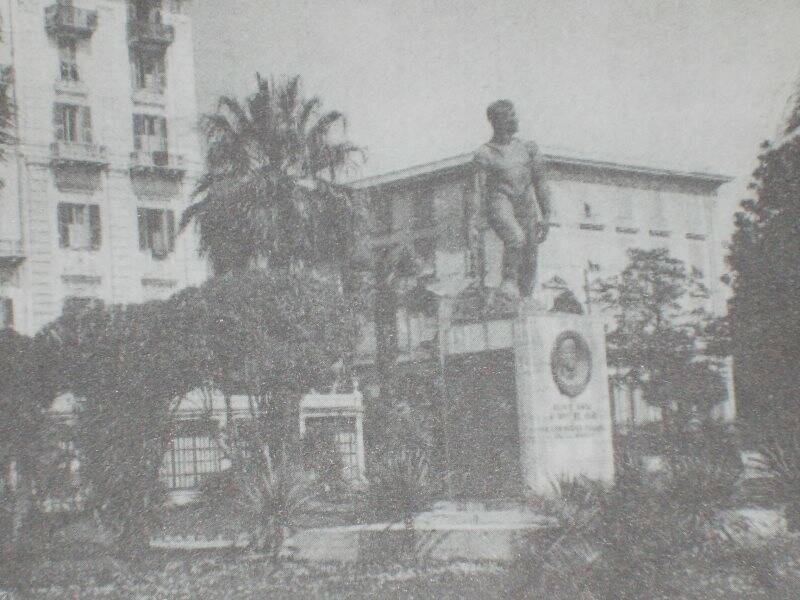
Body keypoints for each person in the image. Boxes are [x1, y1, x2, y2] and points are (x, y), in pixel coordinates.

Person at [473, 100, 552, 299]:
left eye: (514, 114)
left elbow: (540, 182)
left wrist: (547, 215)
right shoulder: (485, 153)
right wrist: (474, 222)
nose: (515, 119)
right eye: (510, 116)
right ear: (497, 121)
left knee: (530, 258)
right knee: (516, 237)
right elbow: (478, 189)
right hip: (500, 200)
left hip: (526, 203)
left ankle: (522, 299)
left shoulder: (528, 148)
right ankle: (508, 279)